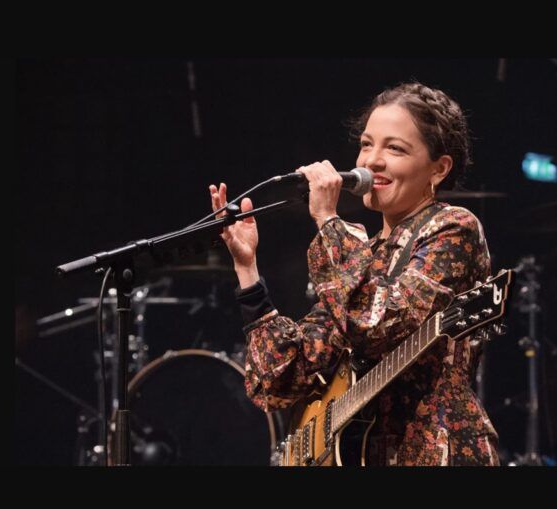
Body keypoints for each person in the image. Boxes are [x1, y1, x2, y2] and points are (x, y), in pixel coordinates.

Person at [209, 81, 499, 466]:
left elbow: (376, 325)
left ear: (439, 168)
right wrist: (247, 270)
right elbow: (279, 382)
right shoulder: (362, 255)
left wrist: (329, 220)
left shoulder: (452, 228)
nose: (372, 160)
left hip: (434, 451)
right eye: (367, 144)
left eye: (394, 148)